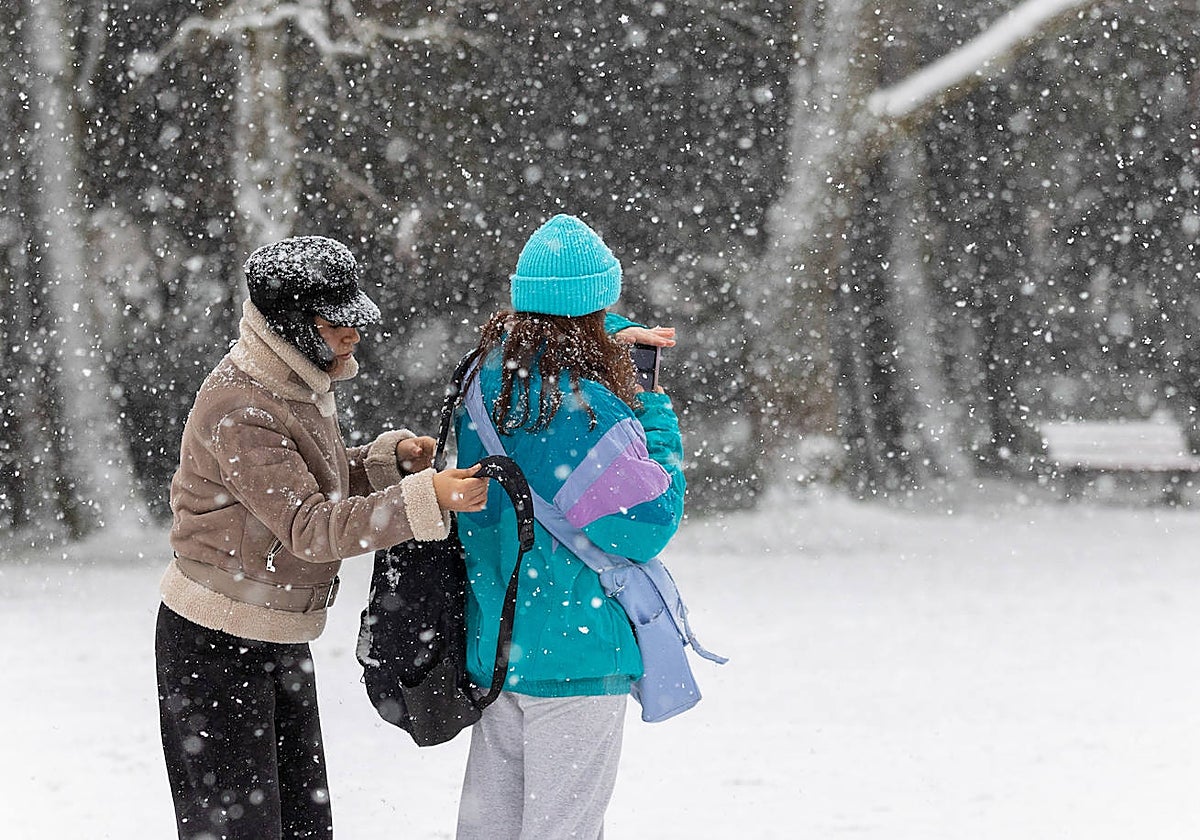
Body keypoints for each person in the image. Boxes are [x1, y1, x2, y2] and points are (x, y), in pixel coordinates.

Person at [155, 235, 489, 840]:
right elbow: (310, 527)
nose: (354, 334)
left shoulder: (291, 385)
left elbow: (306, 482)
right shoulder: (243, 408)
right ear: (293, 324)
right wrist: (424, 501)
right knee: (241, 830)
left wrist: (387, 465)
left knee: (303, 824)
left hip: (271, 631)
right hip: (216, 644)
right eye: (338, 322)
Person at [452, 214, 686, 840]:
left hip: (498, 644)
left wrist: (606, 331)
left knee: (490, 830)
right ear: (592, 308)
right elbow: (646, 524)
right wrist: (654, 415)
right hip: (575, 652)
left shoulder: (482, 381)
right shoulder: (586, 408)